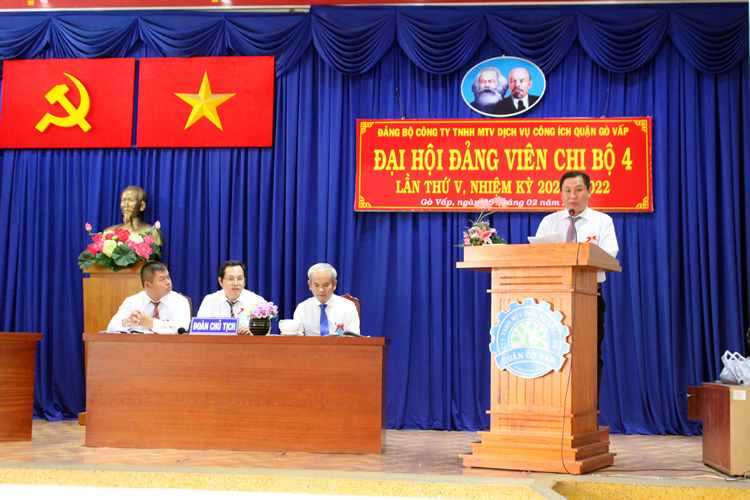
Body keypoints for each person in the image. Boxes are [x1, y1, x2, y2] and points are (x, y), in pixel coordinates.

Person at [535, 171, 619, 398]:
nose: (573, 196)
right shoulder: (549, 222)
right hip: (552, 300)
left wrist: (581, 252)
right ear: (561, 194)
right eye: (568, 191)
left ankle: (588, 407)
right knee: (553, 352)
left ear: (589, 192)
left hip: (589, 296)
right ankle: (552, 403)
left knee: (588, 354)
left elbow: (611, 253)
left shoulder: (602, 221)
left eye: (578, 190)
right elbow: (536, 255)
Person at [107, 261, 191, 332]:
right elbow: (111, 328)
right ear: (148, 285)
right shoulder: (132, 301)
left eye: (168, 277)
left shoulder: (180, 301)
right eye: (162, 279)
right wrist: (126, 322)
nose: (168, 282)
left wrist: (152, 323)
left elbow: (181, 329)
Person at [196, 260, 265, 335]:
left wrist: (253, 332)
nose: (236, 283)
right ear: (220, 281)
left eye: (240, 278)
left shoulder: (257, 301)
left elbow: (266, 333)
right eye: (230, 279)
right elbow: (200, 331)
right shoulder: (210, 301)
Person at [293, 263, 360, 336]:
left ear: (334, 284)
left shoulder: (348, 307)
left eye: (325, 285)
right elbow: (296, 338)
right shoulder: (302, 308)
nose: (321, 290)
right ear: (310, 285)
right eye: (316, 285)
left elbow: (354, 338)